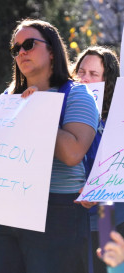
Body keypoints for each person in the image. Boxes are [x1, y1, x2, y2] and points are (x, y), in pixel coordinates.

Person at [0, 19, 99, 273]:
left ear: (52, 51)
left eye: (29, 44)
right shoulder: (3, 102)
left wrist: (37, 110)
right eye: (15, 49)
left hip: (58, 215)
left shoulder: (78, 95)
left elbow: (73, 154)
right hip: (4, 216)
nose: (21, 52)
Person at [73, 46, 120, 273]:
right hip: (68, 217)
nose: (84, 79)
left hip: (108, 218)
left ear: (107, 81)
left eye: (93, 74)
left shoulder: (117, 121)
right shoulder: (64, 111)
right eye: (81, 71)